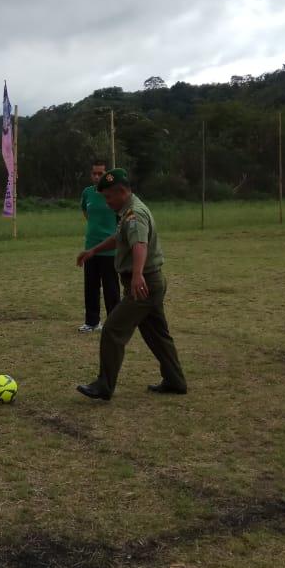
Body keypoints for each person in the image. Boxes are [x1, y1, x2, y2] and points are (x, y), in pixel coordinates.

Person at [75, 168, 187, 401]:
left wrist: (137, 275)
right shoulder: (127, 212)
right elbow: (119, 238)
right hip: (150, 282)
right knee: (157, 335)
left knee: (113, 329)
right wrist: (94, 250)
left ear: (122, 191)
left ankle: (104, 385)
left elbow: (139, 244)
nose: (107, 203)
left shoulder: (134, 214)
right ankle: (175, 380)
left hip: (143, 283)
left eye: (109, 198)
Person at [78, 159, 120, 332]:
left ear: (107, 175)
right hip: (90, 248)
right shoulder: (87, 193)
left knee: (111, 288)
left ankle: (115, 322)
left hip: (110, 249)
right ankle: (92, 322)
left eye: (100, 173)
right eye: (94, 173)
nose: (97, 177)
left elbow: (121, 216)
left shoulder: (114, 193)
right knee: (91, 287)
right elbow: (86, 211)